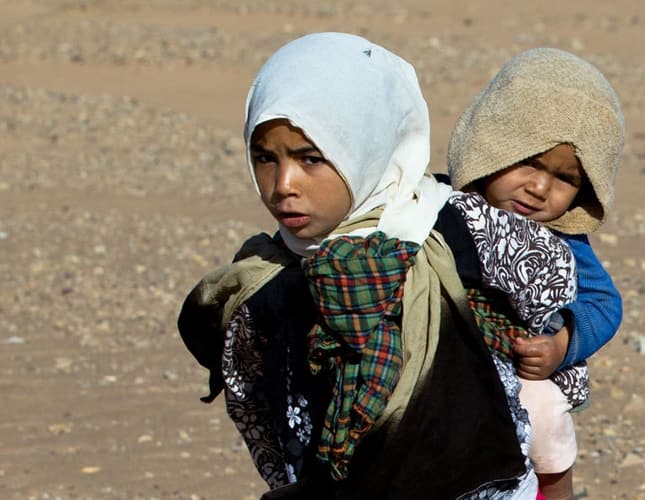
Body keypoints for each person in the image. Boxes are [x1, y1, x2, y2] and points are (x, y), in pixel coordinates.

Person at [177, 32, 576, 498]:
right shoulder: (266, 277)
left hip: (479, 480)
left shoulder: (454, 226)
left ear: (365, 145)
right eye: (265, 158)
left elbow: (554, 278)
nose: (283, 183)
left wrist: (554, 343)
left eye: (311, 159)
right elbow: (259, 407)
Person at [447, 47, 626, 500]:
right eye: (528, 161)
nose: (540, 187)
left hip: (524, 375)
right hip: (449, 372)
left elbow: (604, 303)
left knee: (545, 416)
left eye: (565, 179)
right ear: (490, 142)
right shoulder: (439, 210)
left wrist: (562, 342)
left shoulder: (565, 243)